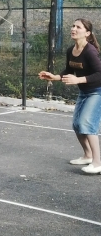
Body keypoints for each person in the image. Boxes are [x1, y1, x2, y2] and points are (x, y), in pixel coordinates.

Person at [38, 18, 101, 174]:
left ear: (87, 33)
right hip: (84, 92)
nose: (73, 29)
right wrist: (54, 77)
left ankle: (97, 163)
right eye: (73, 26)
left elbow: (99, 73)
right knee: (77, 125)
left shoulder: (90, 51)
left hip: (97, 91)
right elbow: (68, 71)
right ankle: (87, 156)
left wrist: (79, 79)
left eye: (78, 27)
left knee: (87, 124)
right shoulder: (70, 50)